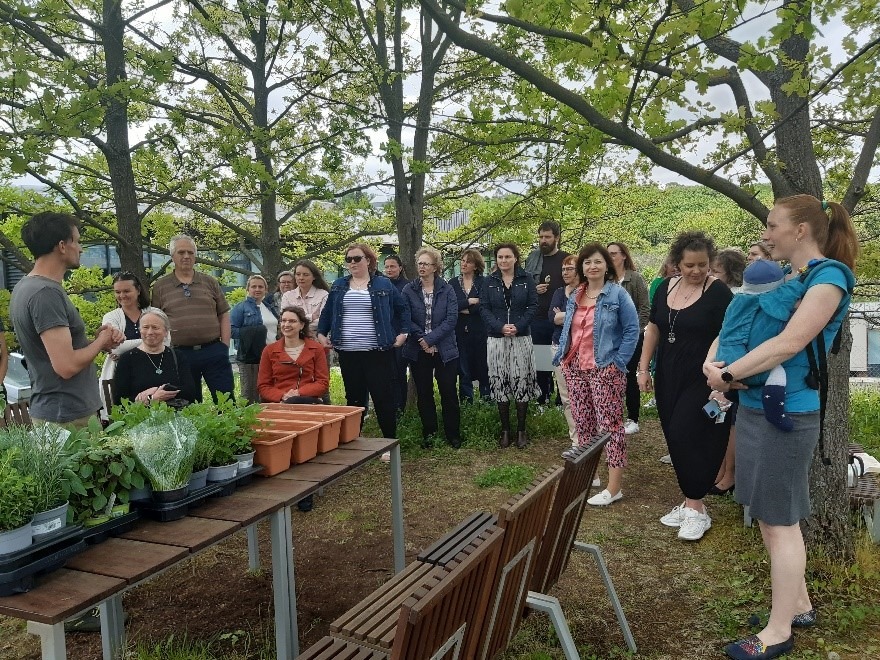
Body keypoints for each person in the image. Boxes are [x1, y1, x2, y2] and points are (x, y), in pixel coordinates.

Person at [704, 195, 858, 660]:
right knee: (771, 519)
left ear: (800, 231)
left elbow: (790, 343)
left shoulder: (828, 278)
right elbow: (745, 316)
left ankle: (778, 631)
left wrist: (726, 376)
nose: (764, 233)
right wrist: (716, 362)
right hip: (755, 405)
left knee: (780, 522)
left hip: (786, 413)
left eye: (772, 225)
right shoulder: (789, 278)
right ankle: (798, 605)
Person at [637, 231, 733, 541]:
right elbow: (654, 328)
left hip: (703, 377)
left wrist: (722, 380)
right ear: (677, 263)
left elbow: (731, 336)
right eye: (689, 265)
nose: (696, 271)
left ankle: (697, 508)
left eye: (702, 265)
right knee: (673, 436)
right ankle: (689, 499)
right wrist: (643, 367)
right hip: (668, 372)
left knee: (686, 432)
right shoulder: (665, 286)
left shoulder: (719, 294)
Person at [10, 212, 123, 428]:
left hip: (61, 411)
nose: (80, 249)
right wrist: (101, 342)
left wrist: (96, 340)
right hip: (67, 417)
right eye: (78, 241)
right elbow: (66, 366)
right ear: (62, 246)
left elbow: (55, 354)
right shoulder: (45, 293)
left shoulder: (27, 286)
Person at [554, 243, 639, 506]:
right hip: (575, 367)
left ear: (607, 266)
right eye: (588, 262)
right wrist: (565, 360)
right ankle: (589, 477)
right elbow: (570, 331)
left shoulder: (617, 295)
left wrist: (618, 363)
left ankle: (614, 488)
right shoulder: (576, 295)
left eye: (598, 261)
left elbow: (632, 329)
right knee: (584, 424)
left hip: (604, 369)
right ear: (582, 267)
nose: (593, 266)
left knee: (611, 427)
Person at [317, 243, 409, 440]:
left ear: (368, 260)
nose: (352, 263)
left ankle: (389, 443)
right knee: (354, 399)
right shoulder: (339, 285)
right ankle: (354, 442)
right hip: (348, 352)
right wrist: (321, 334)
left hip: (378, 351)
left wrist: (404, 333)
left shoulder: (383, 284)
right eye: (348, 259)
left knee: (383, 397)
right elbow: (327, 312)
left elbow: (403, 310)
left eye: (357, 258)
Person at [151, 234, 233, 403]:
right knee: (188, 403)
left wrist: (224, 346)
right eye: (181, 252)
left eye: (190, 252)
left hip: (213, 350)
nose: (186, 256)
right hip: (180, 354)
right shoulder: (160, 287)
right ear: (172, 256)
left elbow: (223, 314)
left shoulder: (210, 282)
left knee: (226, 402)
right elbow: (156, 321)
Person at [480, 243, 540, 448]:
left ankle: (522, 430)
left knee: (521, 381)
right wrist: (499, 327)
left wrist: (518, 325)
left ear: (516, 258)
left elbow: (533, 306)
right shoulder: (489, 282)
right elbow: (484, 308)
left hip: (521, 337)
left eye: (508, 257)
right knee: (499, 381)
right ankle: (505, 430)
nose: (503, 261)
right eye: (500, 257)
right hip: (496, 339)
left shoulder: (527, 279)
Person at [402, 248, 461, 448]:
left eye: (426, 264)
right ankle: (430, 434)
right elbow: (406, 318)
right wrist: (423, 340)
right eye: (419, 263)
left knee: (448, 392)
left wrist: (432, 339)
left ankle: (453, 434)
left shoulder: (447, 289)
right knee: (424, 394)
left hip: (445, 348)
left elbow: (452, 318)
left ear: (435, 267)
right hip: (419, 350)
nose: (422, 267)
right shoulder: (409, 290)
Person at [707, 247, 748, 494]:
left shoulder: (735, 297)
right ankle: (720, 468)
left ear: (730, 273)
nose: (711, 275)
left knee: (728, 421)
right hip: (716, 366)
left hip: (730, 369)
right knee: (717, 417)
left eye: (716, 271)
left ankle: (728, 474)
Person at [98, 272, 167, 417]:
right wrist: (150, 341)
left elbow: (167, 341)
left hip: (155, 372)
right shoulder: (110, 317)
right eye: (118, 292)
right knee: (126, 416)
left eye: (126, 291)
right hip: (122, 376)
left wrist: (127, 347)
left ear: (138, 290)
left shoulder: (155, 313)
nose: (122, 295)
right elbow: (115, 347)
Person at [113, 310, 199, 406]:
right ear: (140, 330)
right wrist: (152, 398)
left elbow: (190, 392)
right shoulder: (127, 359)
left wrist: (157, 390)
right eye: (145, 327)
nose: (150, 332)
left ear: (166, 331)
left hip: (176, 415)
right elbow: (119, 401)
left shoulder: (178, 356)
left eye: (155, 327)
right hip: (142, 418)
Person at [524, 221, 569, 404]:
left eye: (547, 237)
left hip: (561, 319)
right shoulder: (532, 258)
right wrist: (534, 288)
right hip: (538, 318)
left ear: (556, 238)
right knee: (541, 362)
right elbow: (524, 285)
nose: (543, 240)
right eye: (541, 237)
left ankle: (562, 399)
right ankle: (542, 398)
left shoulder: (566, 259)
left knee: (563, 360)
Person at [607, 241, 650, 436]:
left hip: (632, 337)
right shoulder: (605, 279)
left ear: (624, 255)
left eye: (614, 253)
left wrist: (636, 331)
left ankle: (633, 418)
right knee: (610, 376)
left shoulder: (635, 279)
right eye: (608, 254)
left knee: (629, 375)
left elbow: (645, 307)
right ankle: (612, 415)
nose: (611, 257)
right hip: (609, 338)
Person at [258, 306, 329, 404]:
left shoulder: (316, 348)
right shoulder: (269, 350)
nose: (286, 324)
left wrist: (298, 393)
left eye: (292, 321)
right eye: (283, 321)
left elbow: (322, 383)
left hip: (308, 400)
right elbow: (263, 386)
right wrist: (282, 396)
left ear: (302, 325)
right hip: (278, 402)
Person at [230, 275, 279, 404]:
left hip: (272, 355)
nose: (257, 289)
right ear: (248, 289)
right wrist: (254, 332)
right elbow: (231, 331)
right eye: (254, 286)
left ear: (266, 289)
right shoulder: (240, 308)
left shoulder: (269, 307)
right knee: (249, 394)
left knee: (269, 391)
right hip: (249, 357)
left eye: (260, 287)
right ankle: (248, 422)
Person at [450, 248, 489, 402]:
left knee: (483, 366)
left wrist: (466, 309)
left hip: (480, 331)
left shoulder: (484, 282)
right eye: (463, 260)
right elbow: (450, 306)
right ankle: (466, 402)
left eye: (469, 261)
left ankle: (487, 400)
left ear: (476, 265)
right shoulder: (453, 283)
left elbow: (485, 304)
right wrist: (469, 301)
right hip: (459, 332)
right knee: (463, 369)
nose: (464, 264)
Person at [549, 254, 579, 448]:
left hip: (580, 349)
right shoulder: (559, 292)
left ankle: (589, 436)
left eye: (570, 268)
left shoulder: (587, 292)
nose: (565, 272)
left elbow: (588, 317)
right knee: (566, 397)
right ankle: (576, 440)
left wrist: (564, 315)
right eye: (563, 269)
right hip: (558, 347)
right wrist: (574, 314)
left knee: (582, 396)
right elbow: (552, 319)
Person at [383, 253, 410, 413]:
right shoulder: (380, 285)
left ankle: (400, 408)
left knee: (399, 373)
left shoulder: (407, 286)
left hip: (401, 336)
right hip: (384, 336)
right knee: (386, 374)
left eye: (392, 266)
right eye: (386, 266)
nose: (389, 269)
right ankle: (389, 407)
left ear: (400, 268)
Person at [281, 260, 330, 333]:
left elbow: (324, 322)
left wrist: (296, 324)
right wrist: (311, 317)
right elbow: (284, 320)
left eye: (305, 275)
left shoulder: (323, 295)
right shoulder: (287, 296)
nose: (301, 278)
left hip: (317, 339)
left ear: (314, 277)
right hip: (294, 339)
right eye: (298, 274)